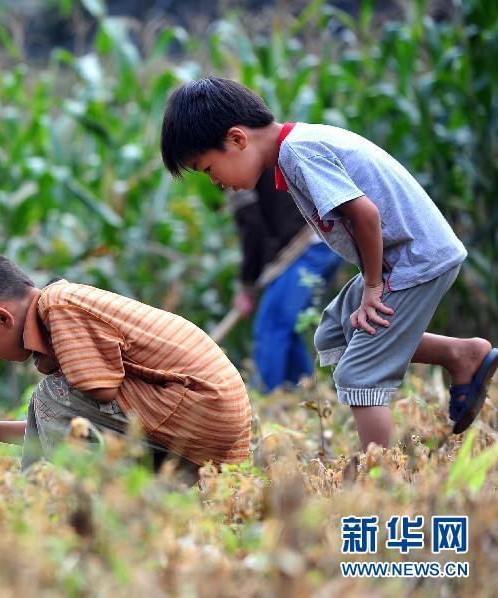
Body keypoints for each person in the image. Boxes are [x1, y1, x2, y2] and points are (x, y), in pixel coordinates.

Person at [160, 77, 497, 450]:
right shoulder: (293, 150)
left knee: (359, 374)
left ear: (237, 139)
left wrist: (371, 287)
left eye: (209, 169)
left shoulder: (298, 152)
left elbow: (366, 215)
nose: (216, 182)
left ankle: (380, 476)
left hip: (415, 259)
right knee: (334, 332)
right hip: (401, 257)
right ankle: (460, 353)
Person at [0, 248, 252, 472]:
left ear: (2, 318)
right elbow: (78, 424)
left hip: (206, 414)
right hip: (205, 423)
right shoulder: (62, 308)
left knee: (51, 395)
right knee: (52, 400)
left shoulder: (59, 307)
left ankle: (75, 502)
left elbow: (91, 400)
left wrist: (53, 371)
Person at [228, 168, 342, 392]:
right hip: (320, 244)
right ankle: (304, 393)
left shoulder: (232, 169)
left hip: (306, 246)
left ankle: (263, 403)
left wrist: (247, 286)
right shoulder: (247, 153)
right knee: (288, 327)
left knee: (272, 325)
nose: (214, 178)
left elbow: (252, 229)